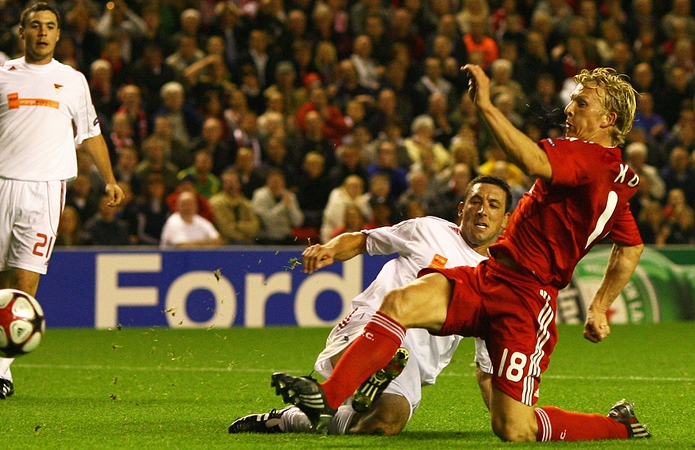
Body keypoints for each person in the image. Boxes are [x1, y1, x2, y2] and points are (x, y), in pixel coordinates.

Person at [271, 66, 650, 442]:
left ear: (607, 119)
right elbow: (631, 244)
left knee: (514, 428)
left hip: (527, 300)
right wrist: (599, 306)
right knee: (400, 302)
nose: (569, 110)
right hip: (492, 276)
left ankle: (618, 426)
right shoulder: (614, 178)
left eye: (580, 103)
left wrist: (485, 106)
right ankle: (327, 397)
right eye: (571, 101)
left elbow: (534, 161)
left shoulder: (587, 157)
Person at [0, 2, 124, 401]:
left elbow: (91, 134)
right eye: (35, 25)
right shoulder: (0, 77)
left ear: (58, 34)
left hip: (46, 189)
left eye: (50, 26)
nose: (42, 32)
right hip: (0, 186)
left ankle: (0, 371)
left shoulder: (73, 80)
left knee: (26, 278)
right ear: (22, 33)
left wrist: (110, 180)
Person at [230, 175, 512, 435]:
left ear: (505, 221)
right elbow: (364, 240)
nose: (482, 210)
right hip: (368, 325)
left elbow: (487, 372)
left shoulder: (496, 282)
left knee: (385, 423)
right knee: (382, 352)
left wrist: (510, 421)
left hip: (413, 362)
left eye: (493, 205)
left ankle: (290, 418)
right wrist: (329, 249)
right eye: (476, 201)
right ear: (462, 209)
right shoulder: (428, 230)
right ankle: (373, 367)